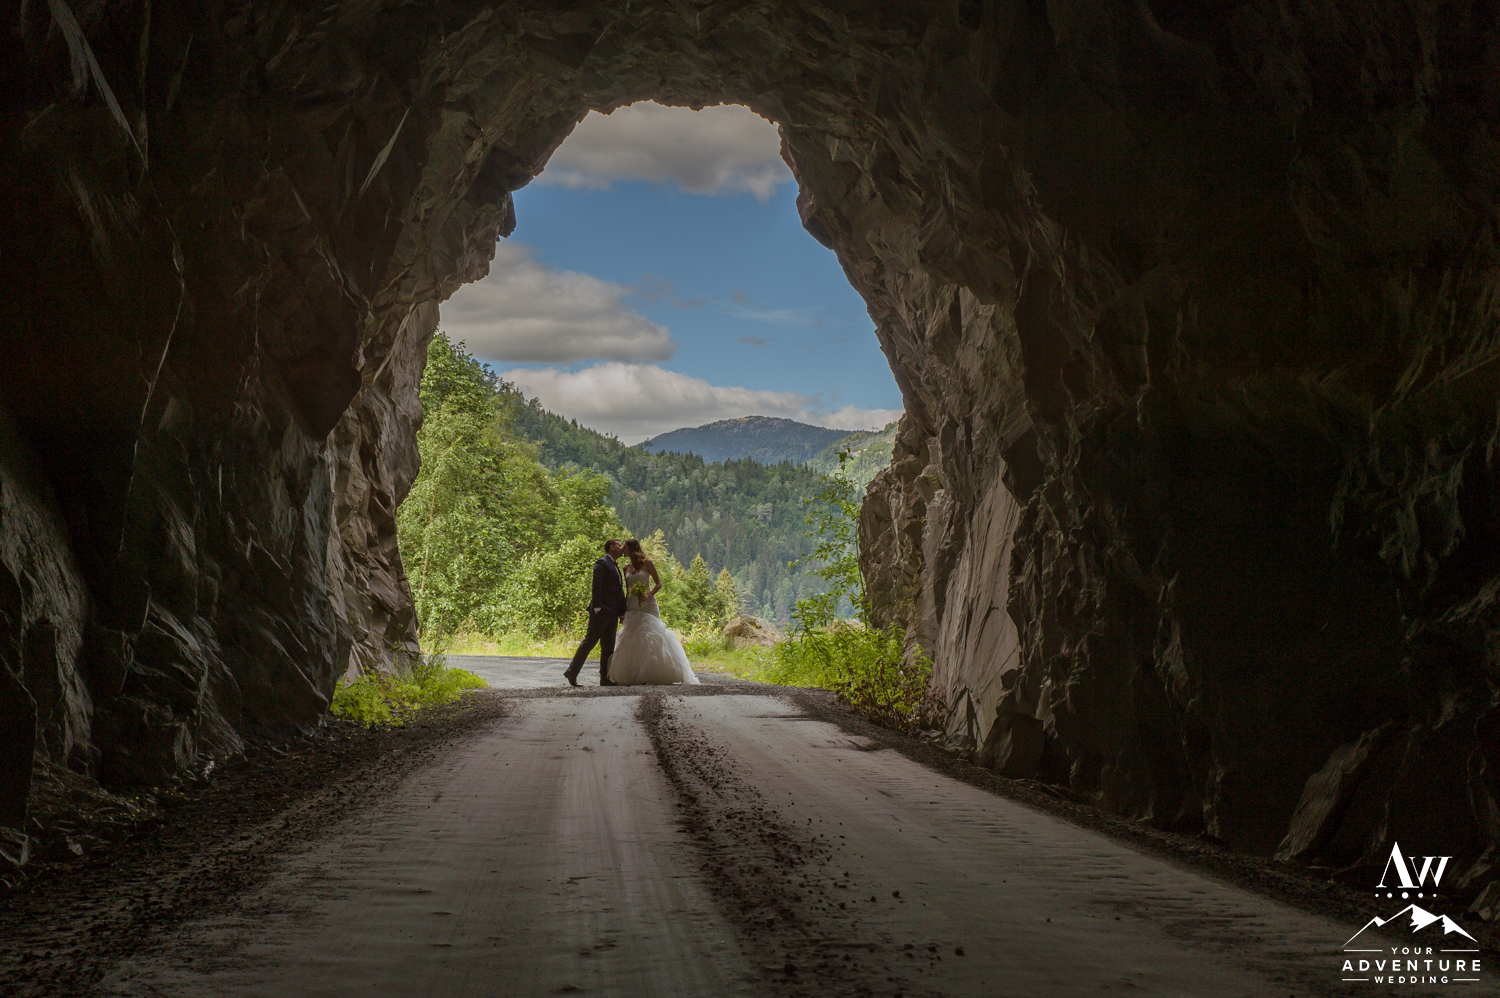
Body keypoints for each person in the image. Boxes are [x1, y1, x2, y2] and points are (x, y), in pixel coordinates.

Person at [608, 539, 700, 686]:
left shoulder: (647, 563)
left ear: (631, 549)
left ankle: (653, 672)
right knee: (632, 636)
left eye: (624, 548)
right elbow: (627, 590)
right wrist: (623, 610)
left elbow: (659, 583)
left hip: (648, 604)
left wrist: (649, 595)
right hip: (632, 605)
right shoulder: (626, 568)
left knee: (651, 634)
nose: (622, 550)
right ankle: (634, 673)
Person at [564, 539, 627, 687]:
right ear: (612, 548)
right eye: (619, 545)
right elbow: (596, 586)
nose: (622, 547)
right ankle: (572, 672)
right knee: (589, 642)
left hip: (612, 613)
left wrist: (621, 612)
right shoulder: (602, 564)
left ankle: (604, 678)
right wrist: (597, 608)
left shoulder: (616, 567)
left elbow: (619, 592)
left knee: (608, 646)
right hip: (601, 612)